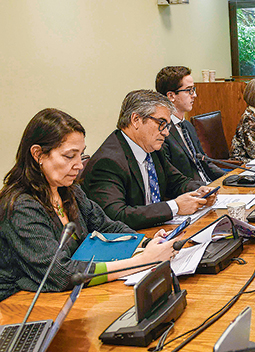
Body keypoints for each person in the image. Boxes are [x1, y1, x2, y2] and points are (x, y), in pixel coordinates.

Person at [0, 109, 178, 301]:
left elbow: (107, 226)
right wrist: (141, 261)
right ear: (38, 154)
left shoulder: (68, 190)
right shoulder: (20, 206)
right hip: (19, 307)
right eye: (70, 156)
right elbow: (62, 274)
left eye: (81, 155)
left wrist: (147, 243)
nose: (78, 165)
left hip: (70, 297)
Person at [82, 90, 216, 230]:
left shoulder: (153, 148)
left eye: (167, 125)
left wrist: (200, 190)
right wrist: (175, 206)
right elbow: (116, 216)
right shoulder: (108, 162)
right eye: (161, 123)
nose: (166, 132)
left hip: (155, 231)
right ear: (136, 120)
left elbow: (176, 182)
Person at [155, 66, 225, 183]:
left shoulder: (187, 126)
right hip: (192, 193)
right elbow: (172, 179)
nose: (194, 95)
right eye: (189, 90)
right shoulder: (162, 132)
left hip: (210, 186)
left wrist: (229, 178)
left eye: (194, 89)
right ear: (171, 96)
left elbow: (205, 162)